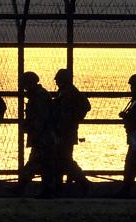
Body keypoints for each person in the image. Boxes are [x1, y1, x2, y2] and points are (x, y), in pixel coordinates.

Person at [9, 72, 56, 198]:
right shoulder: (38, 95)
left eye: (24, 84)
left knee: (35, 164)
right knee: (42, 164)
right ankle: (43, 190)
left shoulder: (39, 97)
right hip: (43, 137)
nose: (23, 88)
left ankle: (22, 188)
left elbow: (41, 118)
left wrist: (33, 131)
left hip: (43, 138)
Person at [52, 69, 91, 197]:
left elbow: (65, 116)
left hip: (64, 132)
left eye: (58, 79)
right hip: (67, 131)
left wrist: (59, 131)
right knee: (63, 159)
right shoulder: (69, 92)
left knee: (64, 160)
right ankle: (66, 186)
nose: (56, 81)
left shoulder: (68, 94)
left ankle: (84, 183)